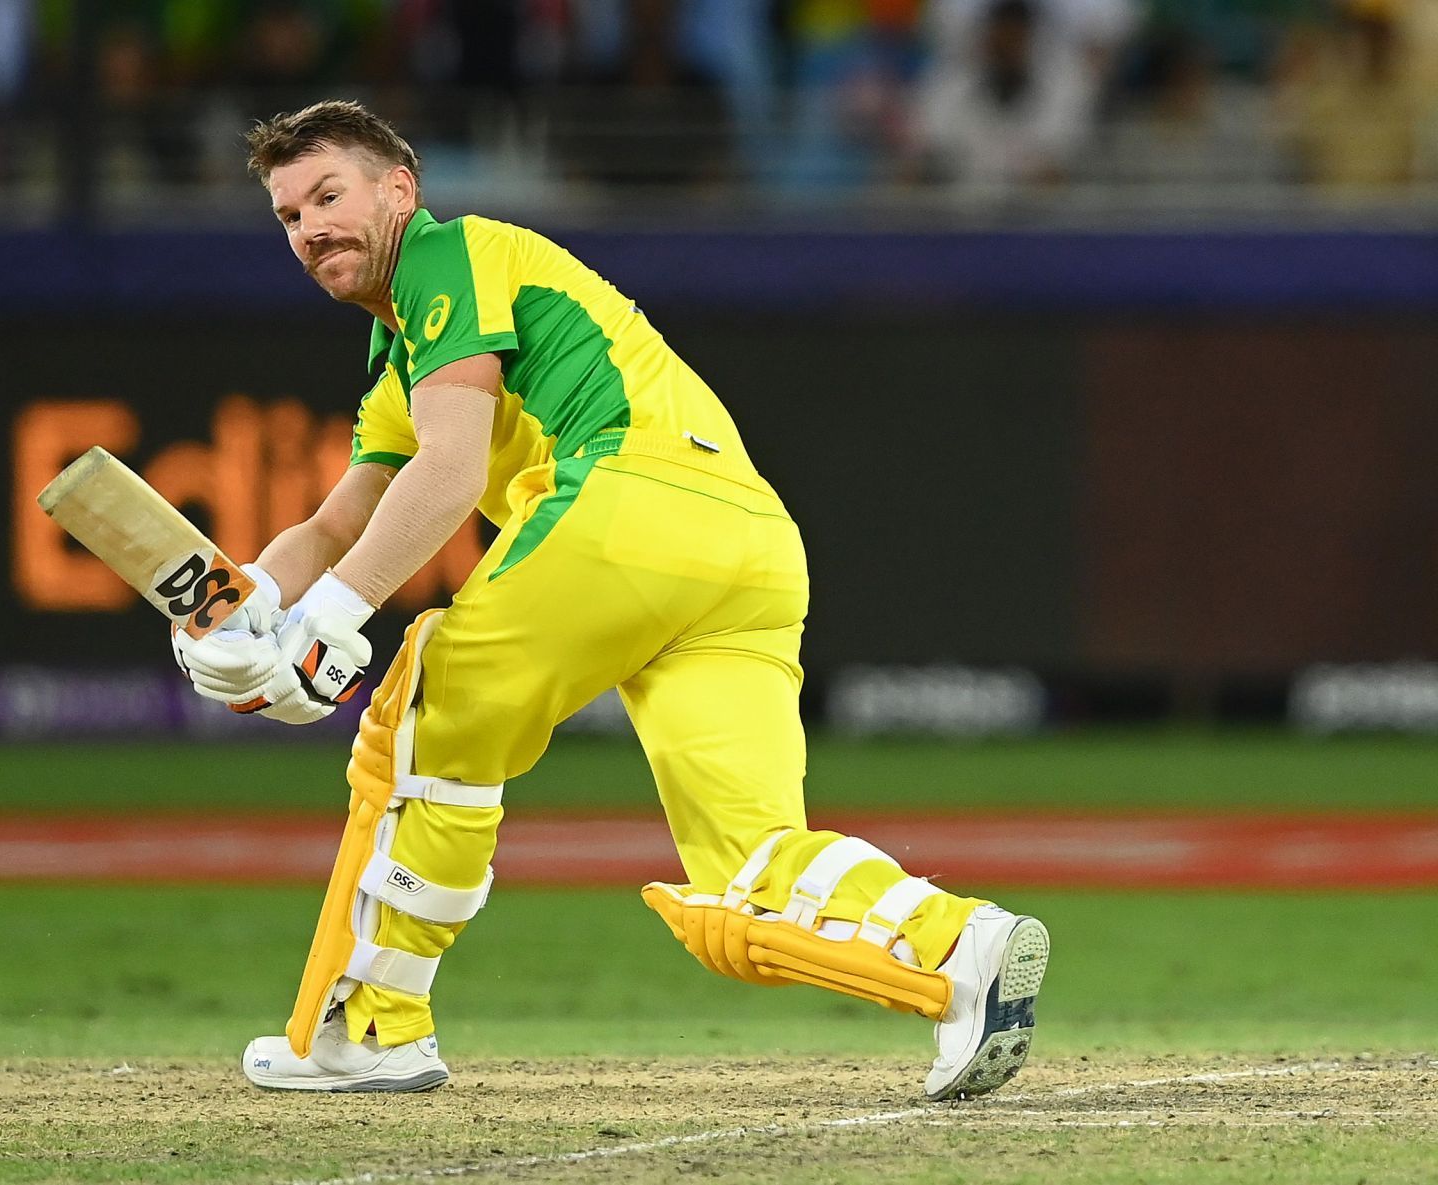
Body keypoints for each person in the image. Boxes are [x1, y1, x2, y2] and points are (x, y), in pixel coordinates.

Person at [171, 99, 1050, 1101]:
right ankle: (962, 948)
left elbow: (452, 475)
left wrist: (328, 621)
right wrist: (239, 609)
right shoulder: (404, 360)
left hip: (632, 504)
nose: (311, 227)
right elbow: (334, 525)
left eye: (328, 195)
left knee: (435, 699)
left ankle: (372, 1026)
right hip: (748, 548)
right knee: (748, 866)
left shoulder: (446, 258)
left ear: (399, 191)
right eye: (289, 216)